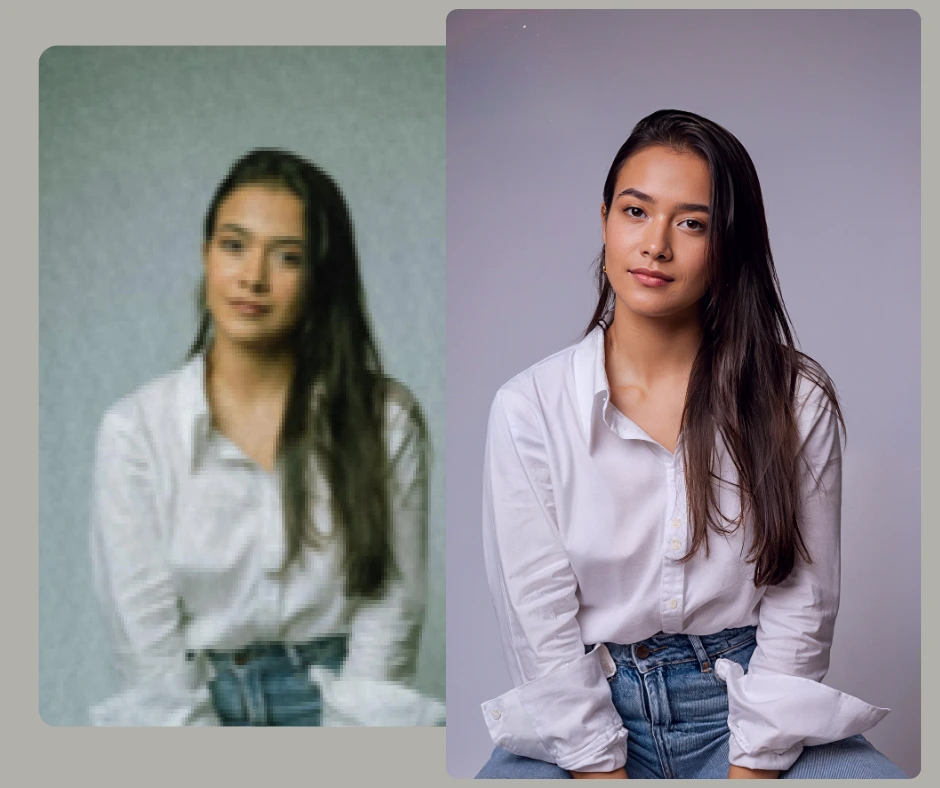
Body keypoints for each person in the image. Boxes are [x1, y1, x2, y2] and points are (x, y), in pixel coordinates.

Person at [475, 110, 907, 778]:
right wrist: (597, 765)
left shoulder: (795, 399)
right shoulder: (529, 408)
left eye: (692, 223)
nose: (656, 245)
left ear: (727, 245)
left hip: (751, 706)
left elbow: (803, 605)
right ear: (605, 221)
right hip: (588, 713)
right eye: (636, 211)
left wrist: (755, 763)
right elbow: (542, 628)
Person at [89, 148, 432, 726]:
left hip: (339, 702)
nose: (252, 276)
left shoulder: (383, 420)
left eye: (288, 257)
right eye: (233, 245)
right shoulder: (135, 433)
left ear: (322, 277)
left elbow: (390, 613)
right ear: (205, 256)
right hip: (192, 706)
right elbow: (146, 644)